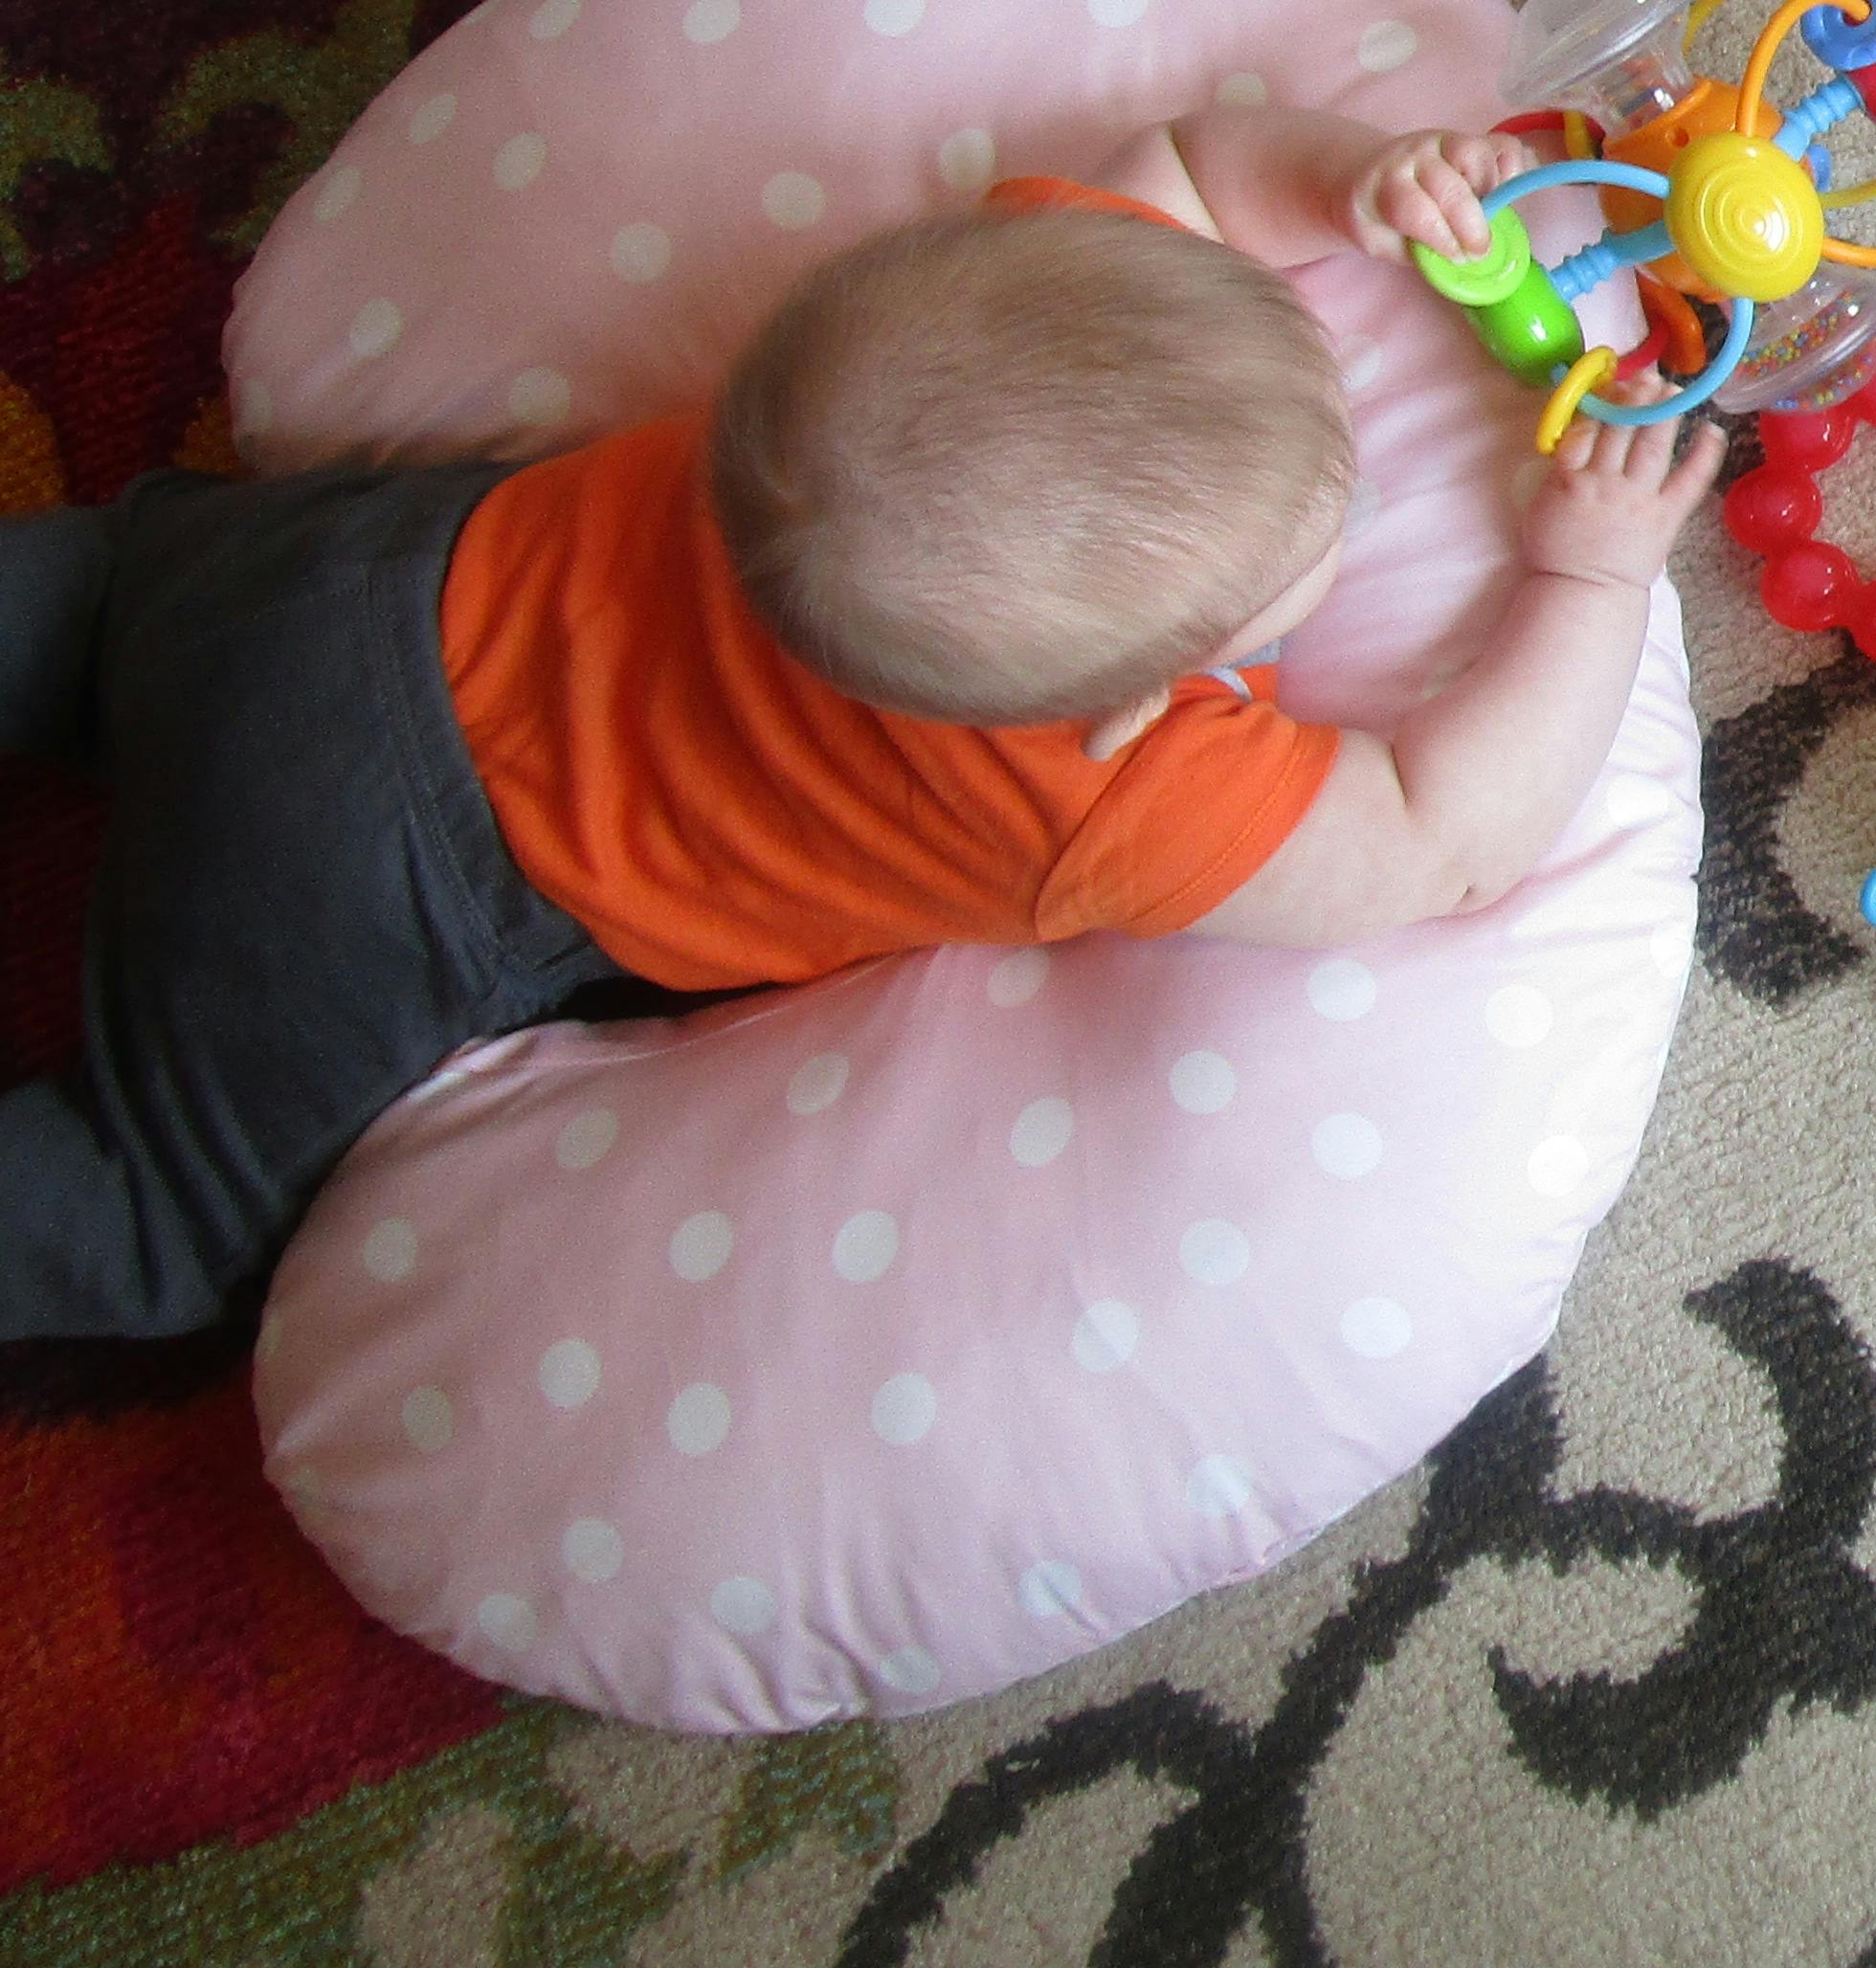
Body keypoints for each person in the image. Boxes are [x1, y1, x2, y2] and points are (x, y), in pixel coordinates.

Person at [0, 100, 1719, 1340]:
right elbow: (1448, 840)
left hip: (317, 588)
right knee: (150, 1220)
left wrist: (1351, 185)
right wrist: (1590, 582)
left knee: (80, 613)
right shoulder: (1119, 792)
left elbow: (1193, 167)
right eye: (1308, 545)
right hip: (374, 887)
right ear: (1139, 702)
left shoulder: (1027, 295)